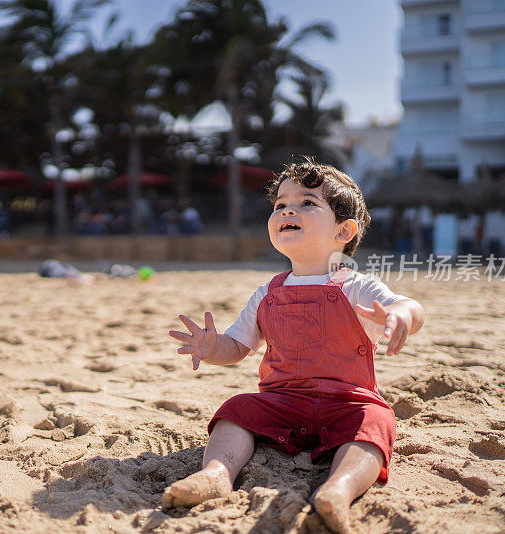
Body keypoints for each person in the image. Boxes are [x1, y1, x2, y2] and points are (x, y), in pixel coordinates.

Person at [164, 159, 425, 533]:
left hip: (347, 401)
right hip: (281, 401)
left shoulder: (356, 285)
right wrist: (212, 346)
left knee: (377, 422)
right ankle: (217, 474)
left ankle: (338, 489)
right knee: (236, 409)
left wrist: (401, 315)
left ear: (343, 231)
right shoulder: (268, 293)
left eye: (307, 203)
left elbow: (411, 306)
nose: (288, 209)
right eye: (280, 204)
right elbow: (238, 346)